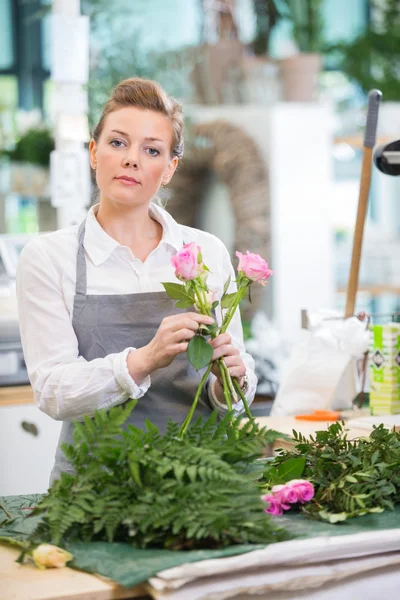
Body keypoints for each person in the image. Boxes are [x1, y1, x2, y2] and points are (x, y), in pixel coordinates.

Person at [16, 78, 257, 484]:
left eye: (151, 150)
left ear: (169, 169)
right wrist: (144, 359)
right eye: (117, 143)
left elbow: (231, 397)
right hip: (95, 491)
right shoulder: (48, 258)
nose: (132, 160)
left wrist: (232, 381)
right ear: (93, 153)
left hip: (204, 487)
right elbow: (52, 390)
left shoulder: (207, 252)